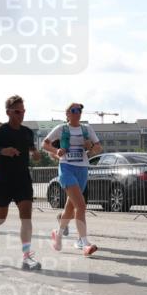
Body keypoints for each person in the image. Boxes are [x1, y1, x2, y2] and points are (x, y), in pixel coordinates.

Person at [0, 95, 43, 270]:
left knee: (26, 219)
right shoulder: (1, 131)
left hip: (22, 179)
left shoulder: (27, 132)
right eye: (17, 111)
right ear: (8, 112)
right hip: (4, 179)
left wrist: (36, 155)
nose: (21, 114)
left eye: (23, 111)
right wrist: (1, 151)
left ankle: (26, 257)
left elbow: (34, 151)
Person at [43, 103, 102, 256]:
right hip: (66, 169)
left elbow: (98, 148)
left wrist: (90, 146)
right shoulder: (61, 129)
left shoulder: (87, 129)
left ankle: (58, 234)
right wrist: (57, 151)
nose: (78, 113)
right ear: (67, 113)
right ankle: (85, 243)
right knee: (81, 206)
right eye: (74, 110)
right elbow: (45, 144)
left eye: (80, 110)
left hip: (82, 169)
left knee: (70, 207)